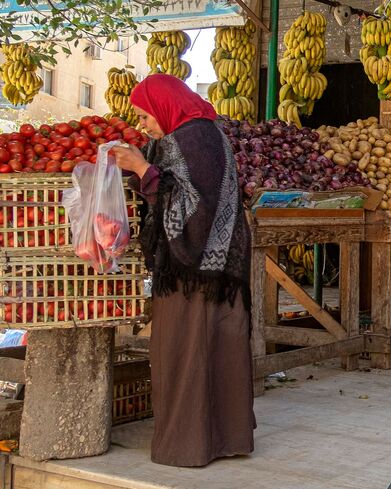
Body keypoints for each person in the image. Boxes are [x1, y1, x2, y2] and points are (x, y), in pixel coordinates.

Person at [111, 74, 255, 467]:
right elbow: (169, 180)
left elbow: (194, 207)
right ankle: (220, 439)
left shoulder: (198, 138)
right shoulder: (178, 137)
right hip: (201, 270)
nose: (143, 125)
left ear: (164, 106)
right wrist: (128, 165)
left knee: (187, 353)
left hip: (200, 271)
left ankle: (190, 445)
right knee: (202, 351)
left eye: (144, 116)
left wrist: (142, 168)